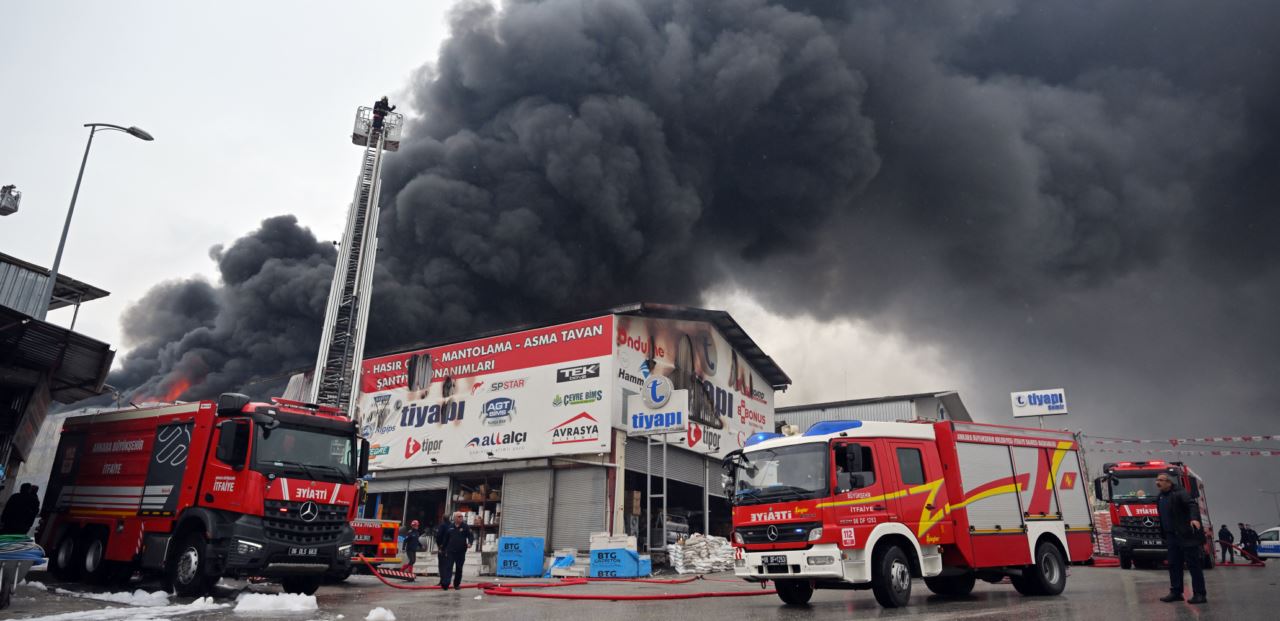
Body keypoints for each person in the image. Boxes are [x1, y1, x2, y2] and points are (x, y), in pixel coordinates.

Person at [1155, 473, 1206, 604]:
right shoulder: (1160, 497)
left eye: (1160, 480)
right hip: (1171, 536)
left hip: (1185, 535)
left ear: (1169, 482)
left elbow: (1191, 505)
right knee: (1173, 564)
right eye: (1157, 480)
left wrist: (1194, 519)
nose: (1157, 483)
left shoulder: (1180, 493)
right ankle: (1176, 592)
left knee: (1193, 565)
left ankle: (1200, 594)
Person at [436, 511, 474, 590]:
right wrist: (442, 548)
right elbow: (446, 539)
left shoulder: (465, 526)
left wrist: (470, 543)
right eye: (459, 516)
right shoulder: (450, 527)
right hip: (450, 551)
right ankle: (446, 584)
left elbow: (470, 536)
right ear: (455, 518)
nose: (461, 518)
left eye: (461, 516)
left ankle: (456, 584)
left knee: (459, 568)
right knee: (448, 568)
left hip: (461, 551)